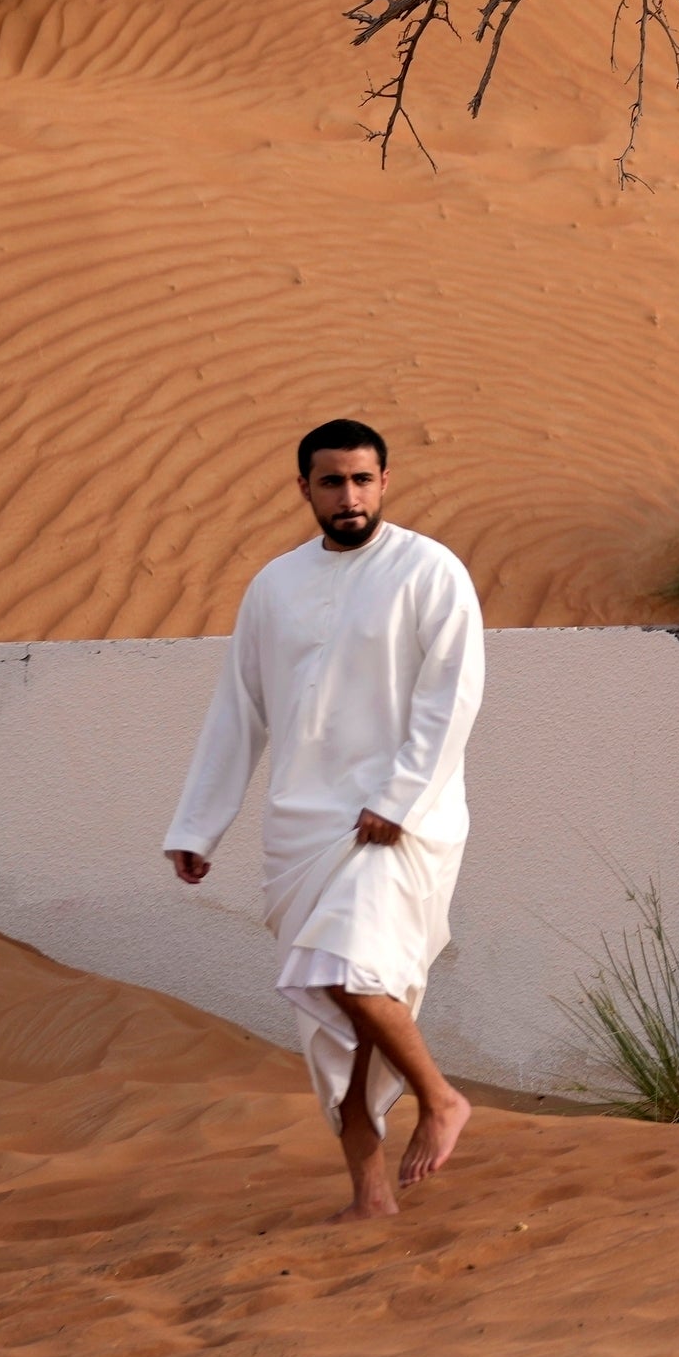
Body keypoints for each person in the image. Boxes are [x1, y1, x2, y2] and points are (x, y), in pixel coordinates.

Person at [162, 418, 487, 1222]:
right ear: (304, 487)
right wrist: (199, 826)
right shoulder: (274, 585)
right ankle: (371, 1197)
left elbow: (452, 698)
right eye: (333, 481)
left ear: (386, 481)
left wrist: (399, 799)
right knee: (330, 1016)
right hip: (302, 824)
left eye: (363, 479)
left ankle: (441, 1098)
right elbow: (238, 711)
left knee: (346, 971)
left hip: (396, 823)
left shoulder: (428, 570)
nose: (350, 496)